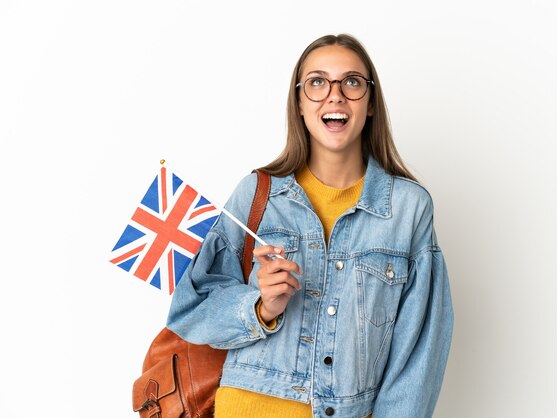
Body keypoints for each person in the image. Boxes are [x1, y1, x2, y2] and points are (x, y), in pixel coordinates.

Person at [167, 33, 454, 418]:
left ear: (370, 103)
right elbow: (191, 308)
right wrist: (260, 306)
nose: (335, 95)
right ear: (299, 103)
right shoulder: (257, 194)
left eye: (351, 82)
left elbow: (419, 353)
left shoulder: (408, 209)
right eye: (317, 82)